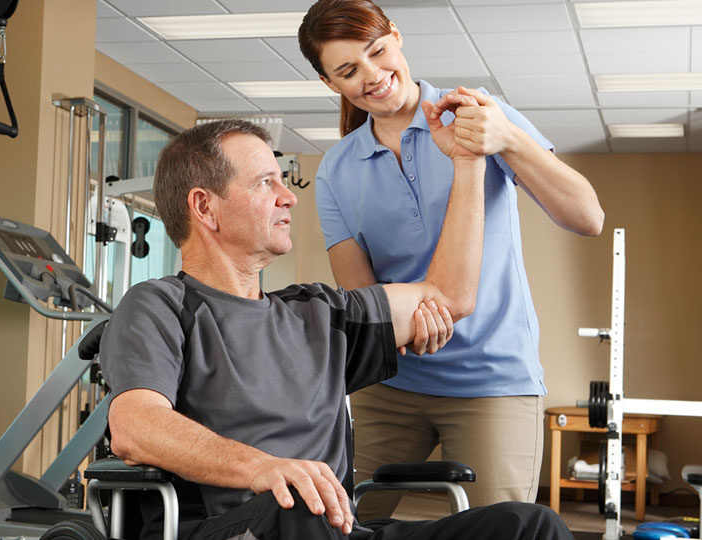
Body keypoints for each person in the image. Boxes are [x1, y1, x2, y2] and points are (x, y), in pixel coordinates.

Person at [98, 118, 573, 540]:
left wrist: (467, 163)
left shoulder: (319, 312)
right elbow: (134, 426)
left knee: (530, 525)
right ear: (205, 207)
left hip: (335, 528)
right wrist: (264, 469)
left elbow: (448, 297)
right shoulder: (158, 305)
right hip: (232, 527)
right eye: (267, 183)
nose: (289, 196)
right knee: (300, 505)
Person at [297, 0, 605, 518]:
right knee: (340, 523)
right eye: (349, 70)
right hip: (389, 383)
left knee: (499, 530)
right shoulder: (335, 170)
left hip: (493, 381)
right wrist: (414, 328)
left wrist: (507, 138)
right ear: (332, 84)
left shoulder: (481, 115)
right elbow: (361, 295)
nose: (373, 76)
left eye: (377, 52)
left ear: (396, 35)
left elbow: (587, 217)